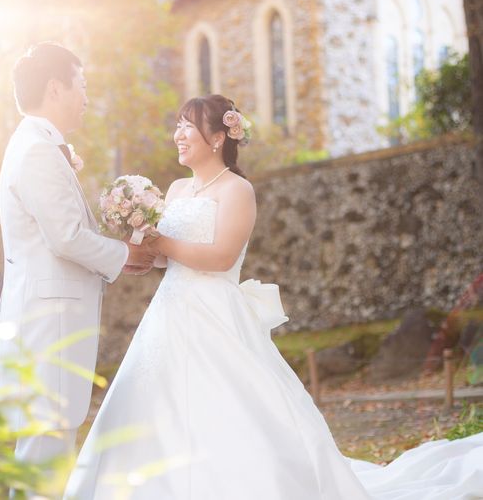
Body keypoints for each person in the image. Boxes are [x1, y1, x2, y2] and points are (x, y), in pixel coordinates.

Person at [65, 94, 483, 499]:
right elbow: (166, 258)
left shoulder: (237, 190)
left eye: (188, 126)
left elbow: (221, 257)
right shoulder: (174, 190)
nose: (178, 134)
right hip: (168, 312)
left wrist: (162, 243)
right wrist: (140, 245)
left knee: (228, 403)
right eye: (178, 125)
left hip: (215, 313)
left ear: (217, 137)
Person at [0, 43, 157, 497]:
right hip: (50, 327)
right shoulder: (36, 151)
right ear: (55, 88)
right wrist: (125, 255)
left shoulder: (36, 144)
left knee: (45, 454)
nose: (86, 96)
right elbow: (65, 236)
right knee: (44, 457)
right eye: (81, 85)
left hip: (45, 323)